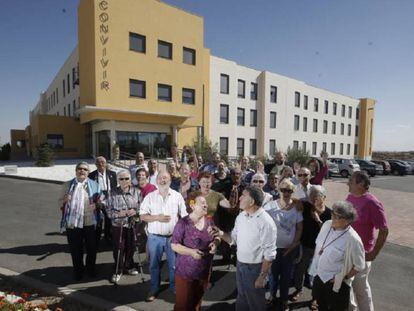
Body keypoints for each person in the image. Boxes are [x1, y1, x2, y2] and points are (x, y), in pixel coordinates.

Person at [214, 186, 277, 311]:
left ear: (252, 201)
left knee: (256, 303)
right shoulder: (241, 216)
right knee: (242, 297)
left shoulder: (266, 223)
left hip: (255, 269)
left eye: (243, 195)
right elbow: (233, 239)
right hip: (240, 265)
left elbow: (270, 254)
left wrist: (262, 276)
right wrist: (220, 233)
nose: (240, 198)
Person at [139, 170, 188, 302]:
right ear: (156, 181)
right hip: (154, 237)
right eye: (160, 178)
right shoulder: (150, 197)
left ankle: (174, 287)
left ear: (170, 180)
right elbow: (142, 215)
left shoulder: (177, 196)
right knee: (154, 265)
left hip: (173, 237)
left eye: (166, 178)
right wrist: (157, 218)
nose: (163, 180)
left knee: (174, 265)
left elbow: (184, 216)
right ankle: (154, 288)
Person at [310, 201, 365, 311]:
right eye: (332, 214)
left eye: (336, 216)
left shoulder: (353, 239)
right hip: (319, 276)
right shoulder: (327, 225)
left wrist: (343, 277)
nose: (332, 217)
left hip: (336, 283)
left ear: (346, 221)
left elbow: (359, 265)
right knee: (321, 306)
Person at [346, 171, 389, 311]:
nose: (348, 183)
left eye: (351, 181)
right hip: (347, 251)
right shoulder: (350, 197)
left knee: (361, 290)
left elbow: (384, 230)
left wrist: (373, 253)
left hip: (362, 254)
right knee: (346, 287)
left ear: (361, 184)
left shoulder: (372, 203)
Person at [171, 191, 220, 311]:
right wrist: (191, 252)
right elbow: (174, 245)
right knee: (183, 305)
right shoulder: (183, 223)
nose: (206, 205)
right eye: (202, 203)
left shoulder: (209, 221)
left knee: (197, 303)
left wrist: (216, 243)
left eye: (206, 203)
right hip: (186, 273)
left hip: (204, 271)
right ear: (192, 205)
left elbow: (217, 236)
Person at [264, 179, 303, 310]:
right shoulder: (270, 206)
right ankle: (272, 296)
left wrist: (294, 244)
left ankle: (284, 300)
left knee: (286, 277)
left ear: (292, 192)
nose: (286, 193)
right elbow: (263, 224)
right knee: (273, 275)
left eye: (289, 190)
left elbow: (299, 228)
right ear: (279, 190)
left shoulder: (297, 208)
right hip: (273, 248)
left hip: (289, 249)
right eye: (283, 190)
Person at [59, 162, 101, 281]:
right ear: (76, 170)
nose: (82, 171)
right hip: (72, 223)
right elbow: (59, 202)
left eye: (85, 169)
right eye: (80, 169)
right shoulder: (67, 185)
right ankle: (78, 271)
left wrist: (97, 205)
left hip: (90, 222)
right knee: (75, 249)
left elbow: (102, 200)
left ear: (88, 172)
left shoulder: (95, 185)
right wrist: (64, 200)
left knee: (92, 249)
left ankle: (90, 269)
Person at [292, 185, 332, 308]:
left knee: (317, 274)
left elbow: (328, 234)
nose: (314, 197)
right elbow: (291, 198)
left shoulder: (329, 213)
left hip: (320, 249)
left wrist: (318, 220)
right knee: (300, 270)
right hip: (305, 246)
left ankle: (315, 298)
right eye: (311, 195)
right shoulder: (305, 207)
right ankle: (298, 289)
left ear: (324, 198)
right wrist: (298, 201)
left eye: (317, 195)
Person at [107, 170, 141, 283]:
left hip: (132, 224)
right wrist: (118, 214)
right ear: (118, 180)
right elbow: (108, 211)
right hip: (118, 225)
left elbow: (143, 207)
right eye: (121, 179)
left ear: (130, 179)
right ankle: (118, 270)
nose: (124, 181)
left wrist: (135, 211)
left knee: (131, 246)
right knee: (118, 248)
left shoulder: (137, 192)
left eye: (126, 178)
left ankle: (129, 266)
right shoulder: (112, 192)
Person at [88, 156, 117, 245]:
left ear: (106, 163)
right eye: (99, 162)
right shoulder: (91, 175)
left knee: (109, 218)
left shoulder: (112, 174)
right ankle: (97, 238)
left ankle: (107, 236)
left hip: (109, 198)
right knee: (98, 219)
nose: (101, 164)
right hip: (97, 199)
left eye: (103, 162)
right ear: (96, 164)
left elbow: (114, 187)